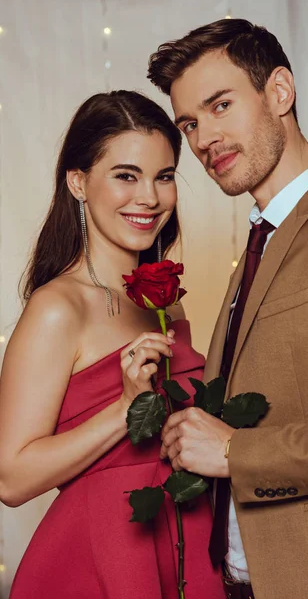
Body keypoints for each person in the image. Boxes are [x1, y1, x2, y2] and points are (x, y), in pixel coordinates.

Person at [148, 18, 308, 599]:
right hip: (246, 578)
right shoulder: (264, 243)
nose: (203, 138)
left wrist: (237, 452)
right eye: (189, 122)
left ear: (279, 92)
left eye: (220, 106)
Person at [0, 90, 225, 599]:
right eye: (126, 176)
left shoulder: (168, 302)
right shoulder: (59, 308)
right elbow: (10, 479)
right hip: (102, 561)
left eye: (164, 176)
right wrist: (126, 408)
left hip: (185, 542)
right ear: (78, 183)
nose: (149, 197)